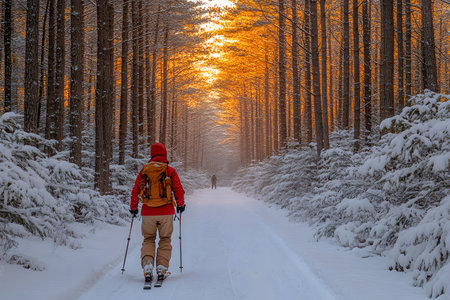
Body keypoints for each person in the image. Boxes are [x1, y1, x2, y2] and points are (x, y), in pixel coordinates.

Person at [129, 142, 185, 285]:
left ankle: (147, 265)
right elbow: (178, 189)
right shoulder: (169, 170)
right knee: (165, 239)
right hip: (166, 212)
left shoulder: (144, 171)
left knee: (148, 239)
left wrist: (133, 208)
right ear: (164, 154)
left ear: (152, 154)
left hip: (148, 212)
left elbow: (135, 191)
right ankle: (161, 268)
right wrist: (180, 205)